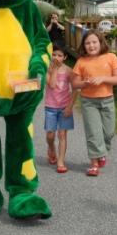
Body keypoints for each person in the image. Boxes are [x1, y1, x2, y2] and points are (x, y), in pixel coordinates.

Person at [71, 30, 117, 177]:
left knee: (109, 132)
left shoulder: (111, 57)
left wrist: (103, 79)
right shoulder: (81, 61)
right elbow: (74, 83)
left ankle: (101, 152)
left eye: (94, 42)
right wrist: (84, 83)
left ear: (101, 43)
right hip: (89, 102)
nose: (91, 45)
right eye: (87, 43)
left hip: (107, 100)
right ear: (84, 45)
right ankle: (94, 164)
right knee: (93, 133)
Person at [44, 43, 77, 173]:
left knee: (62, 134)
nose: (56, 57)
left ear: (65, 57)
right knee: (50, 135)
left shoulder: (69, 71)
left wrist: (70, 107)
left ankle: (61, 161)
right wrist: (55, 70)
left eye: (59, 55)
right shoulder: (47, 69)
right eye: (54, 54)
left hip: (64, 107)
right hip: (50, 107)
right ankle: (51, 148)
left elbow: (75, 90)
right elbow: (52, 85)